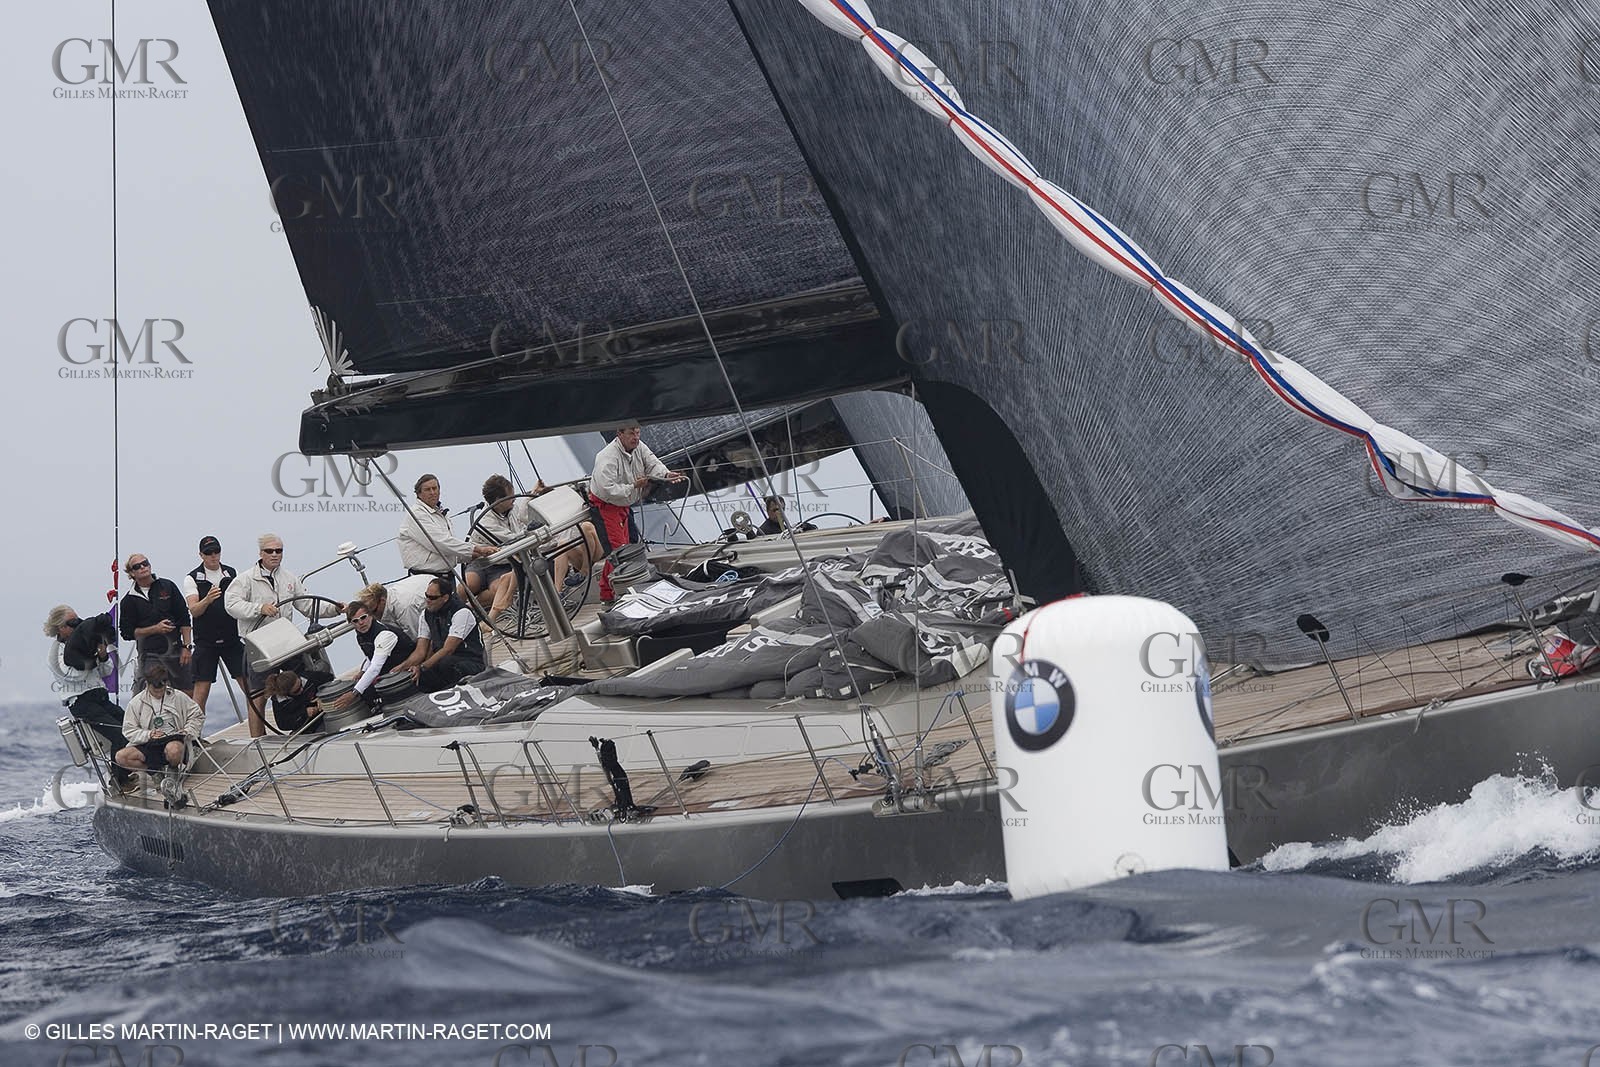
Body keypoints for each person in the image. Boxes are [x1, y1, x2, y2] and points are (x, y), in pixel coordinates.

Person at [225, 533, 344, 737]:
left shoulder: (289, 578)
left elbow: (306, 605)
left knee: (304, 679)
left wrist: (336, 609)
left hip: (285, 641)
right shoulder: (245, 580)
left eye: (278, 551)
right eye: (269, 551)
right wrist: (259, 608)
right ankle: (257, 741)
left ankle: (316, 724)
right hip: (258, 645)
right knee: (258, 695)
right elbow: (231, 605)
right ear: (260, 553)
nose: (274, 555)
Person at [468, 474, 602, 617]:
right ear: (498, 501)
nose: (513, 499)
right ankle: (490, 619)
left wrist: (533, 495)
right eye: (510, 497)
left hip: (582, 553)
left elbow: (522, 517)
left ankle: (581, 573)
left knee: (585, 528)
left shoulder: (512, 509)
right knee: (497, 579)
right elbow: (516, 537)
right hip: (488, 559)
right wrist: (537, 535)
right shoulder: (486, 522)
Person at [587, 422, 686, 605]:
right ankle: (609, 594)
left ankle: (621, 588)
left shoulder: (639, 447)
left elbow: (651, 462)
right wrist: (633, 486)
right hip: (607, 506)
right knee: (618, 552)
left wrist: (665, 474)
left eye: (638, 432)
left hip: (623, 503)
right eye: (632, 433)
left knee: (630, 545)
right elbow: (607, 489)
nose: (636, 437)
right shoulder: (608, 457)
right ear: (620, 434)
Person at [44, 605, 129, 777]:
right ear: (61, 627)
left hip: (101, 698)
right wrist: (91, 658)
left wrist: (102, 655)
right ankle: (119, 780)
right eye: (73, 623)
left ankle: (130, 771)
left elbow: (107, 671)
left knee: (130, 727)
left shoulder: (85, 641)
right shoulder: (55, 654)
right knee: (118, 734)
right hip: (82, 702)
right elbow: (73, 676)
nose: (78, 626)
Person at [182, 535, 248, 714]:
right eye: (208, 552)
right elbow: (194, 610)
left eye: (216, 551)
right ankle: (195, 739)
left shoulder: (231, 573)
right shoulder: (192, 578)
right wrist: (208, 599)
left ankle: (258, 734)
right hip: (206, 642)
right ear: (201, 555)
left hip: (232, 639)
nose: (213, 556)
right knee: (201, 693)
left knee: (250, 688)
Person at [397, 474, 496, 593]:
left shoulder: (441, 514)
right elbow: (439, 543)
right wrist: (476, 549)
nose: (432, 492)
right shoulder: (416, 515)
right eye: (428, 490)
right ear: (419, 494)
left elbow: (449, 549)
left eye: (435, 488)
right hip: (425, 580)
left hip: (447, 577)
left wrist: (471, 555)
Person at [118, 552, 193, 694]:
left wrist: (187, 647)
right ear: (132, 573)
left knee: (188, 692)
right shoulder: (128, 601)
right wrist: (155, 629)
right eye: (137, 566)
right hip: (150, 654)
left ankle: (185, 717)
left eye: (145, 563)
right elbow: (126, 633)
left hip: (177, 649)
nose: (143, 567)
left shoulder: (168, 586)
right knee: (155, 691)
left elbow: (184, 617)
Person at [396, 578, 486, 692]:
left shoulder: (461, 612)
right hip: (442, 662)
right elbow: (420, 651)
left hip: (470, 661)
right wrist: (402, 669)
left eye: (432, 598)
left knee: (445, 663)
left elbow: (448, 649)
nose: (428, 600)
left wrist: (422, 667)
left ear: (445, 598)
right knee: (417, 679)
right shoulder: (426, 615)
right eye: (426, 596)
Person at [327, 601, 417, 712]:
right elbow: (371, 656)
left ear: (370, 615)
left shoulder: (384, 634)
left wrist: (354, 693)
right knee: (364, 689)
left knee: (365, 692)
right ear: (351, 623)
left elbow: (375, 667)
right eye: (355, 621)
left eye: (363, 618)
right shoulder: (361, 635)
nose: (361, 623)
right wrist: (363, 671)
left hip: (406, 671)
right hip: (390, 672)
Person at [115, 663, 204, 774]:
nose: (159, 693)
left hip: (176, 741)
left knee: (173, 749)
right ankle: (155, 773)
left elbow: (197, 715)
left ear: (166, 684)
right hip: (151, 744)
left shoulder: (178, 696)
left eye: (161, 690)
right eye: (155, 691)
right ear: (147, 684)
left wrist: (187, 731)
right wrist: (148, 734)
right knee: (121, 757)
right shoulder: (135, 703)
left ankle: (173, 770)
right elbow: (128, 730)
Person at [263, 667, 334, 734]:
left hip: (326, 714)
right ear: (286, 694)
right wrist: (304, 714)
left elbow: (329, 677)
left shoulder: (308, 677)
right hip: (306, 727)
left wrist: (322, 696)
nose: (301, 689)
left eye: (301, 684)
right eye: (297, 691)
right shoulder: (280, 703)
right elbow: (283, 724)